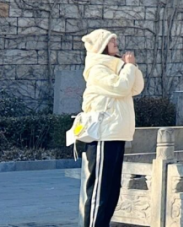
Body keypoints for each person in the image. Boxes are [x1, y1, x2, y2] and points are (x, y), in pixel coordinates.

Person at [79, 28, 145, 227]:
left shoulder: (116, 67)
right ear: (101, 45)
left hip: (116, 133)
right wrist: (128, 67)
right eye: (111, 40)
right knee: (100, 190)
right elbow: (121, 87)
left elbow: (135, 88)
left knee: (111, 190)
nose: (116, 43)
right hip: (103, 135)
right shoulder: (97, 69)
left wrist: (131, 67)